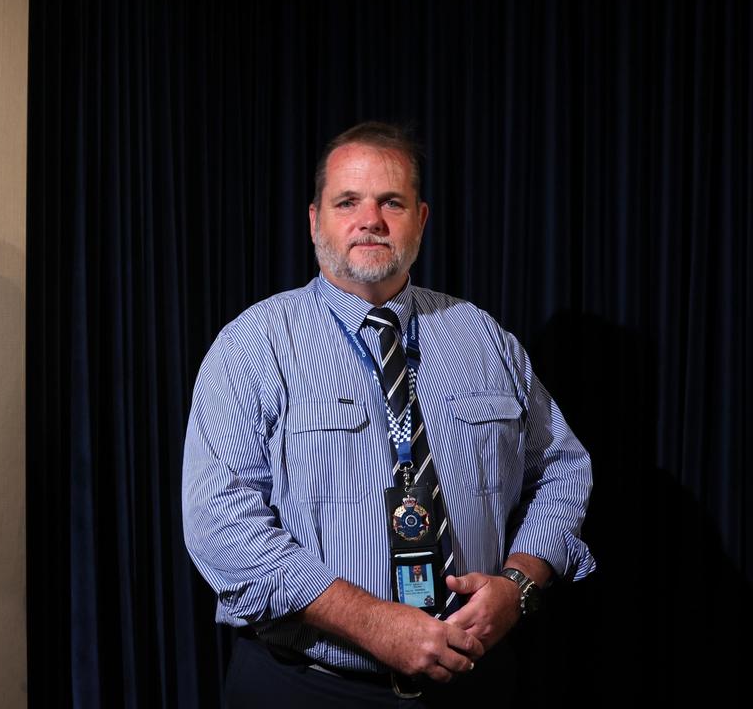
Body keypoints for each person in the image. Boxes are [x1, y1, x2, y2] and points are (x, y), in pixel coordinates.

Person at [182, 121, 594, 706]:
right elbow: (220, 525)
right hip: (307, 687)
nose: (370, 219)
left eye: (391, 202)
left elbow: (563, 470)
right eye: (347, 201)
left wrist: (518, 583)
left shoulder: (483, 339)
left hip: (476, 685)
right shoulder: (252, 347)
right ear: (314, 220)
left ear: (421, 219)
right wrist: (376, 623)